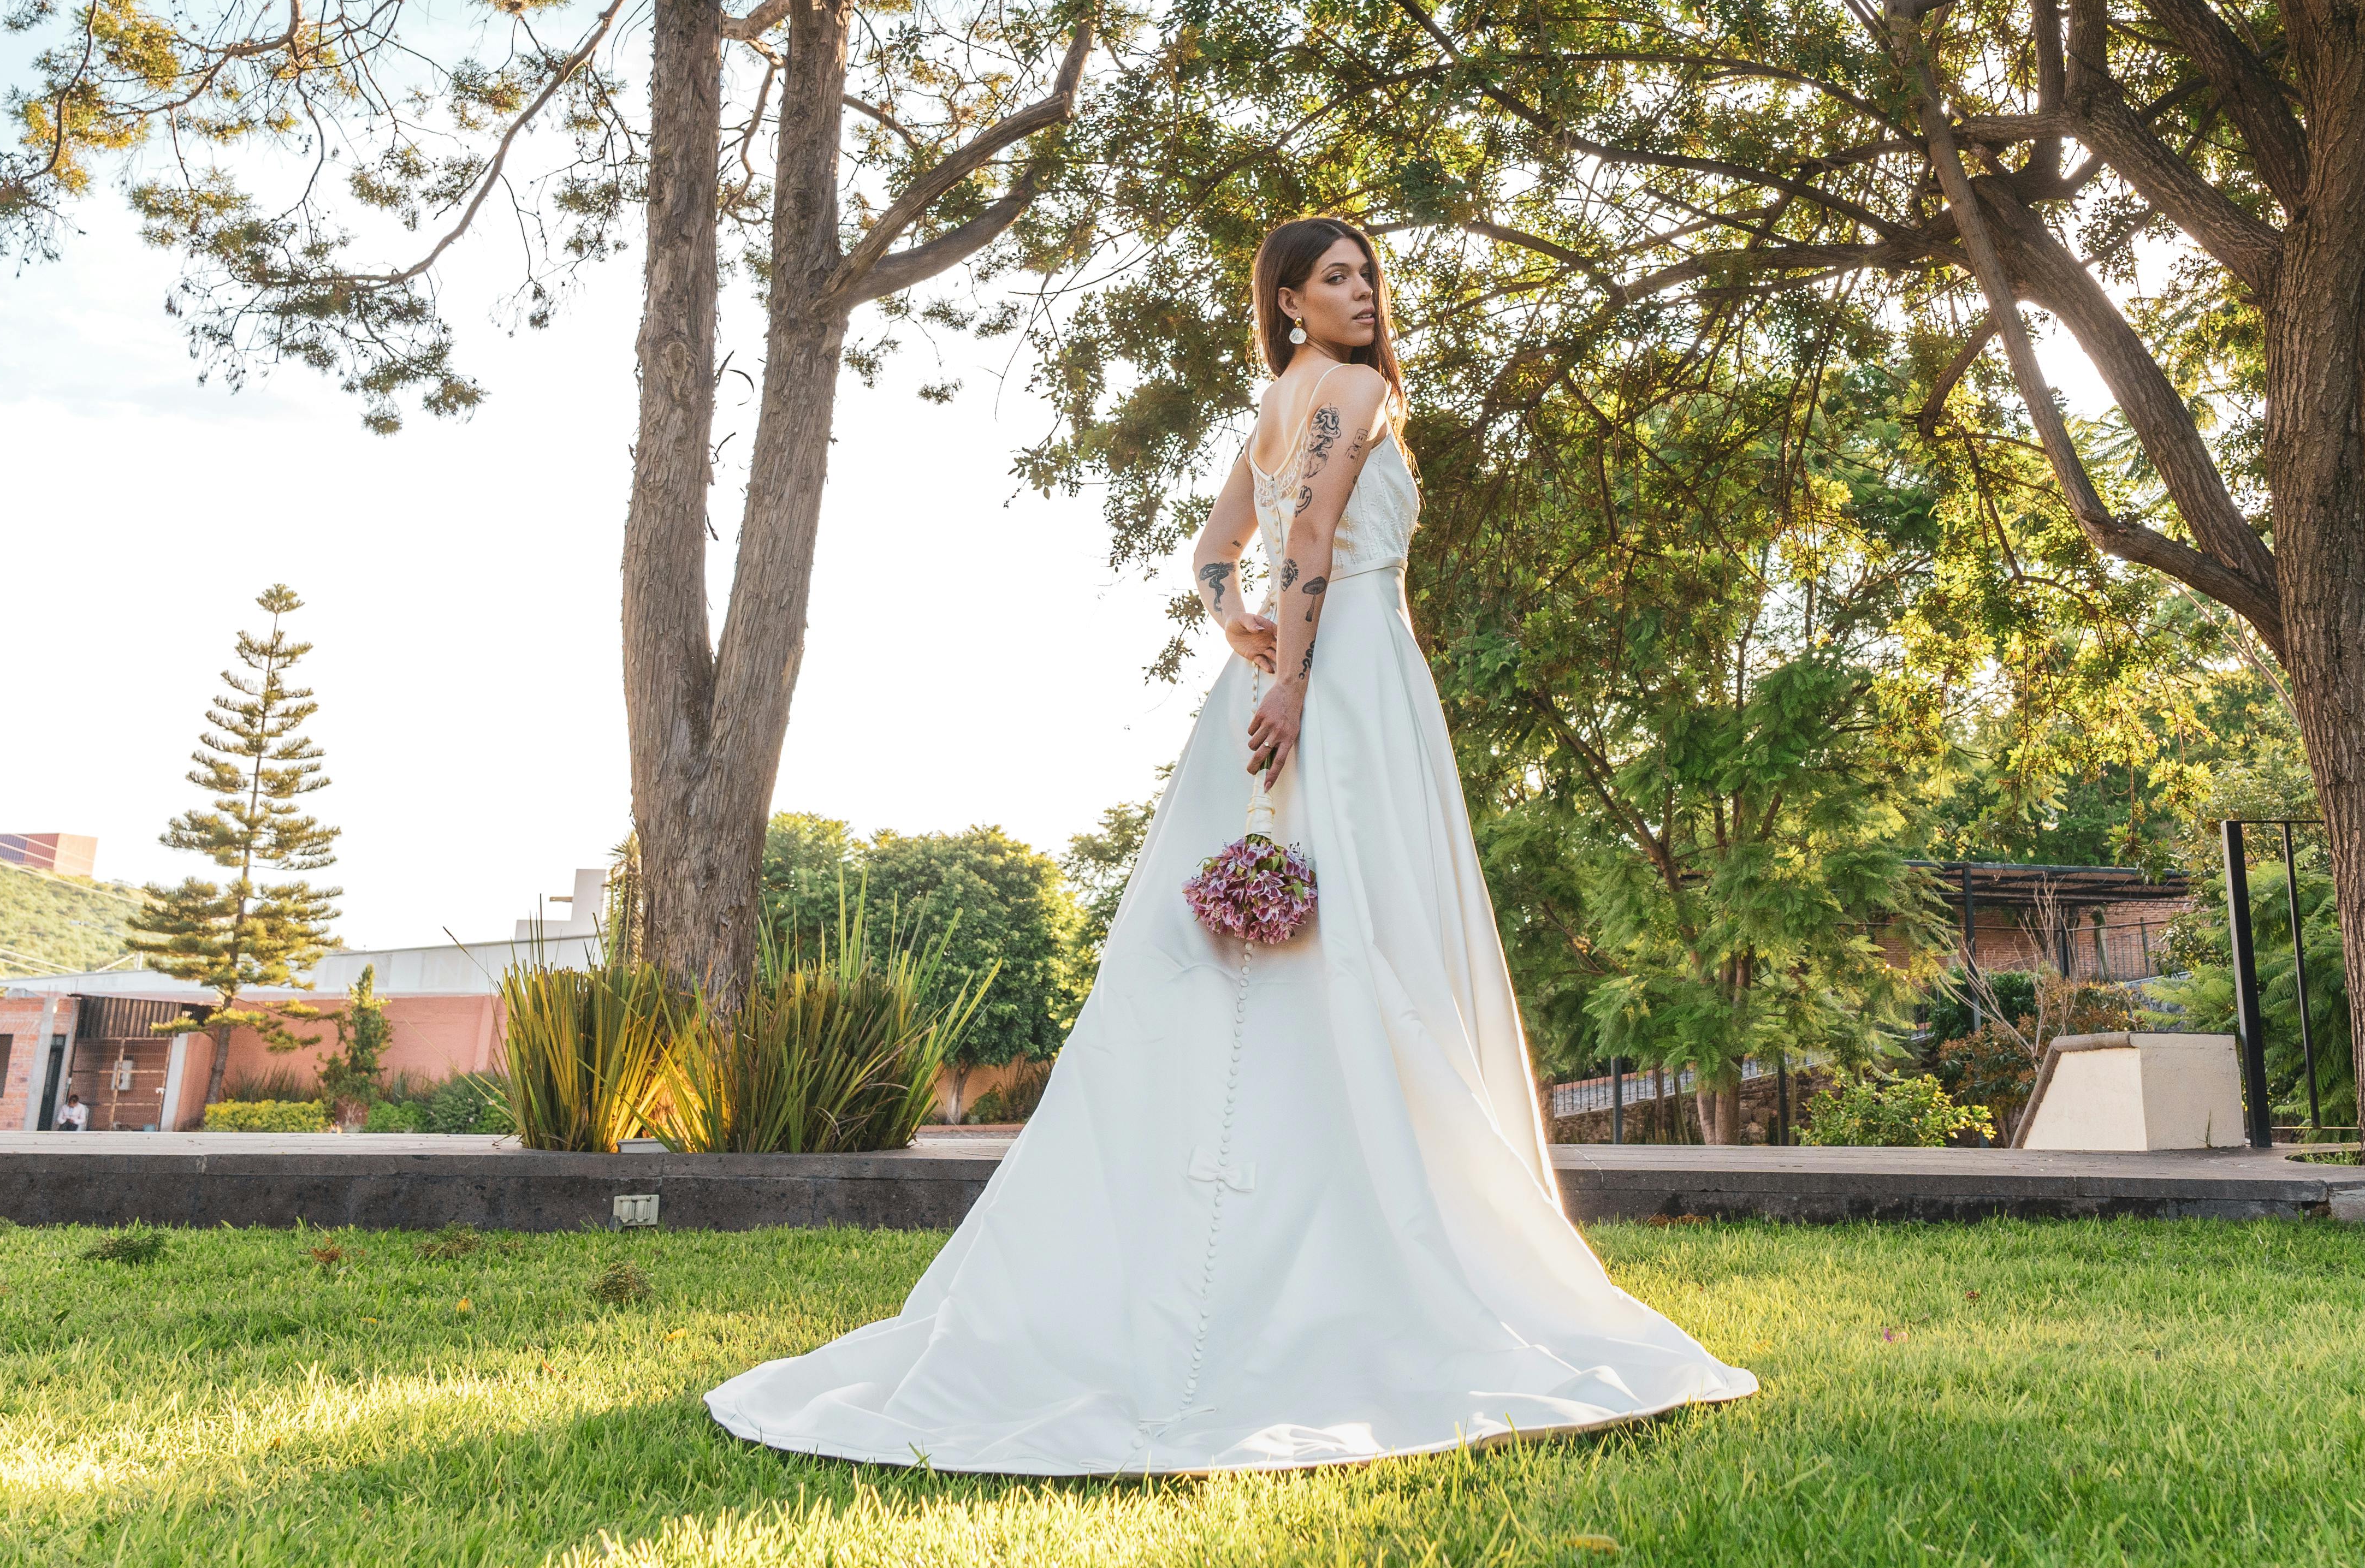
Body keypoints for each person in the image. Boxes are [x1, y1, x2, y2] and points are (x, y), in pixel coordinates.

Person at [707, 215, 1756, 1475]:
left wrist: (1235, 630)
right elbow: (1302, 544)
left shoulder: (1274, 405)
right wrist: (1294, 679)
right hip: (1346, 683)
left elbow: (1216, 557)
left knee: (1283, 958)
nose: (1361, 292)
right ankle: (1367, 1233)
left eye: (1368, 272)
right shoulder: (1353, 392)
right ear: (1287, 300)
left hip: (1290, 685)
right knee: (1362, 935)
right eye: (1334, 278)